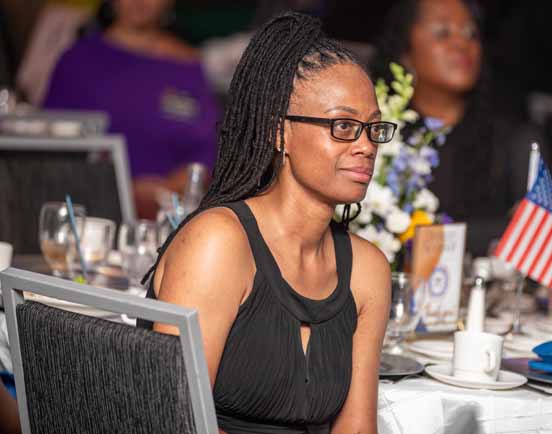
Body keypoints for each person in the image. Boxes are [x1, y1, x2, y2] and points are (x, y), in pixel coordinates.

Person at [140, 12, 391, 434]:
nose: (366, 146)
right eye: (344, 126)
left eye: (373, 128)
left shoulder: (368, 270)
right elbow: (176, 421)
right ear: (279, 132)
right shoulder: (218, 244)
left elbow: (357, 428)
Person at [370, 0, 531, 256]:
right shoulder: (383, 135)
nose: (462, 44)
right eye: (443, 32)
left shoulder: (514, 140)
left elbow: (537, 233)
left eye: (471, 34)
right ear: (404, 50)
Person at [42, 0, 220, 218]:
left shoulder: (188, 65)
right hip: (91, 218)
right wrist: (123, 190)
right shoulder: (77, 62)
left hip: (171, 220)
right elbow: (50, 150)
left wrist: (173, 186)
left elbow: (208, 149)